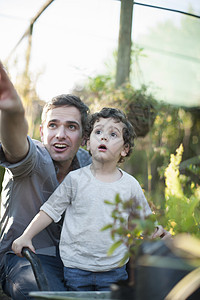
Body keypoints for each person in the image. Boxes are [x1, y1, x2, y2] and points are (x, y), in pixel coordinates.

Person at [12, 107, 171, 292]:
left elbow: (143, 222)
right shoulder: (75, 180)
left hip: (115, 270)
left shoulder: (130, 185)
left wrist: (157, 233)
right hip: (75, 268)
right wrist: (26, 236)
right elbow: (49, 210)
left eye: (113, 134)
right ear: (87, 143)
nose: (103, 137)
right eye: (98, 132)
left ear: (125, 149)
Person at [0, 61, 92, 299]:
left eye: (71, 127)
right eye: (53, 125)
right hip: (21, 258)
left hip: (74, 261)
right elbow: (15, 143)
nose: (60, 135)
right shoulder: (33, 157)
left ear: (84, 138)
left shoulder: (88, 166)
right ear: (42, 132)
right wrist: (12, 111)